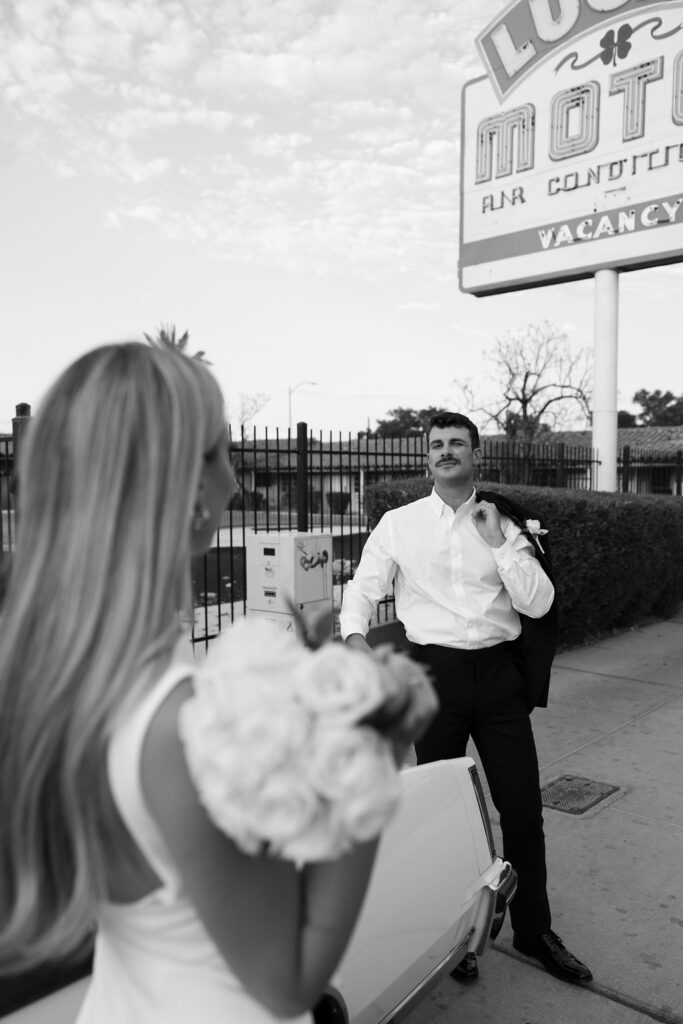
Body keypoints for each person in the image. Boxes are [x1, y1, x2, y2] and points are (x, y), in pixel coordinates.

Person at [0, 342, 437, 1023]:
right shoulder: (182, 724)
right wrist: (370, 750)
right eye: (221, 455)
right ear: (180, 486)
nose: (234, 484)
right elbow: (287, 978)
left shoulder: (54, 679)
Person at [340, 411, 593, 986]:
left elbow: (538, 602)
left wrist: (496, 542)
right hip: (436, 678)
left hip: (500, 678)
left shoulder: (502, 521)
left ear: (477, 454)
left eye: (458, 443)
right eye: (437, 445)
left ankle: (533, 931)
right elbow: (362, 588)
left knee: (523, 810)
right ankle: (456, 938)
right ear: (425, 457)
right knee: (443, 818)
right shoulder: (399, 524)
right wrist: (354, 637)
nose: (447, 451)